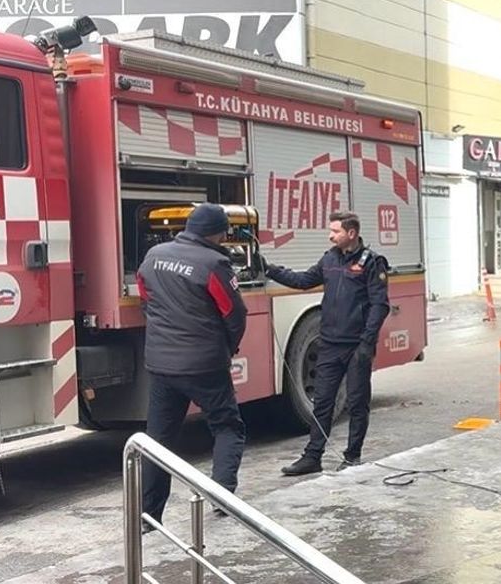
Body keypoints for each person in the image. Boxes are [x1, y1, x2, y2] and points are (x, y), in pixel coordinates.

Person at [136, 203, 248, 529]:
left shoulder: (153, 256)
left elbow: (146, 300)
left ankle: (148, 516)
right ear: (217, 232)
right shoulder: (214, 263)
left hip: (161, 364)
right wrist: (228, 346)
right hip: (205, 365)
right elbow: (234, 313)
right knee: (227, 427)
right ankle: (221, 497)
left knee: (158, 441)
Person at [268, 211, 390, 476]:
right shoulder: (330, 259)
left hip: (356, 346)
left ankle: (352, 456)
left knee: (357, 403)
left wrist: (367, 344)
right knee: (322, 402)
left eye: (335, 231)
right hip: (330, 344)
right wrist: (269, 269)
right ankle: (312, 457)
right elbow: (302, 281)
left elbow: (380, 306)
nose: (330, 236)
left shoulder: (372, 263)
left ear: (351, 233)